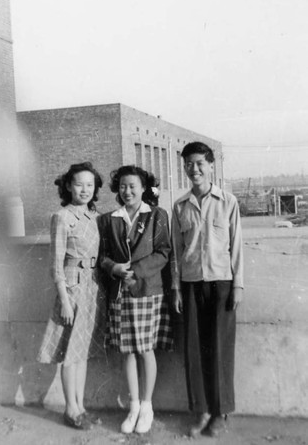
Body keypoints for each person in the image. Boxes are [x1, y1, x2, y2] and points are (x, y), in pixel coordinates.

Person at [171, 142, 244, 439]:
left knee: (220, 350)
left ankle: (220, 412)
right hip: (190, 284)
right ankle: (200, 410)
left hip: (222, 283)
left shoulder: (228, 201)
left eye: (200, 163)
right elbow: (177, 251)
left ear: (212, 165)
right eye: (189, 163)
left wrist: (238, 284)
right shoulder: (178, 206)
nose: (194, 169)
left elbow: (236, 246)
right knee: (193, 349)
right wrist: (175, 288)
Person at [98, 165, 173, 435]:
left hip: (148, 290)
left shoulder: (156, 215)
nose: (127, 191)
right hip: (120, 292)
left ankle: (147, 406)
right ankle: (132, 406)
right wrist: (113, 268)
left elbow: (164, 252)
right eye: (122, 186)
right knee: (127, 350)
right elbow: (102, 255)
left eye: (133, 186)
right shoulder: (109, 219)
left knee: (145, 349)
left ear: (144, 188)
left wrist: (135, 271)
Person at [37, 161, 105, 429]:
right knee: (70, 353)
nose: (85, 189)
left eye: (90, 185)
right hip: (73, 290)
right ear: (68, 186)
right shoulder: (62, 217)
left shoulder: (95, 217)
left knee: (82, 351)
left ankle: (81, 406)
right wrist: (64, 300)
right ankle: (70, 409)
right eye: (79, 184)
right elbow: (55, 265)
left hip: (93, 288)